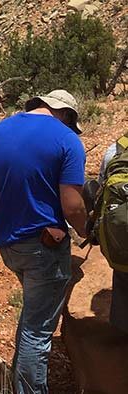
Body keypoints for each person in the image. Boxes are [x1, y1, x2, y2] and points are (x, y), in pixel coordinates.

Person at [0, 89, 87, 394]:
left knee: (33, 316)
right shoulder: (67, 139)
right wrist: (88, 231)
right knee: (38, 330)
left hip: (7, 242)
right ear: (66, 114)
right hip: (43, 246)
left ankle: (19, 378)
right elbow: (72, 206)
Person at [97, 141, 128, 334]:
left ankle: (122, 328)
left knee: (123, 274)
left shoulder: (115, 150)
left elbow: (101, 189)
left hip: (123, 235)